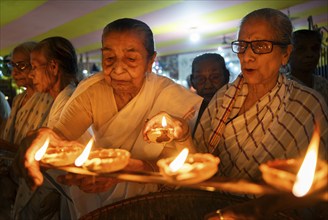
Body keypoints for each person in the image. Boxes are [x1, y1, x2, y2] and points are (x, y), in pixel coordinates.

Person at [144, 8, 328, 219]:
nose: (247, 56)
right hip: (213, 206)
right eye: (242, 46)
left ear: (285, 53)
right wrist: (183, 134)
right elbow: (199, 163)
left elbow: (317, 188)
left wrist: (248, 210)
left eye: (260, 46)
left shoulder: (307, 105)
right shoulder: (223, 97)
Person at [14, 18, 202, 218]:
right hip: (100, 197)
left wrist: (179, 132)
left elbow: (181, 167)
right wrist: (42, 139)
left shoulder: (168, 96)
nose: (118, 70)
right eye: (109, 58)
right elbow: (60, 136)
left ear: (150, 61)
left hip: (154, 201)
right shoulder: (92, 91)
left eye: (131, 59)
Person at [13, 36, 82, 220]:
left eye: (34, 67)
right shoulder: (59, 100)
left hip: (71, 194)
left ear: (53, 67)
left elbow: (66, 158)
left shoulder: (70, 103)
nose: (30, 74)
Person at [0, 42, 53, 146]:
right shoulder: (18, 100)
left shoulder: (50, 99)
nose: (14, 72)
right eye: (13, 65)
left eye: (21, 65)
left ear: (35, 66)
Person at [189, 53, 230, 136]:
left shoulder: (237, 108)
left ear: (226, 77)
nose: (208, 85)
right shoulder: (188, 116)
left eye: (215, 77)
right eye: (200, 79)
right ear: (192, 82)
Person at [288, 29, 328, 104]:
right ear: (288, 54)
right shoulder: (283, 87)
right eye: (301, 49)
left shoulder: (323, 84)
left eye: (315, 49)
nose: (310, 54)